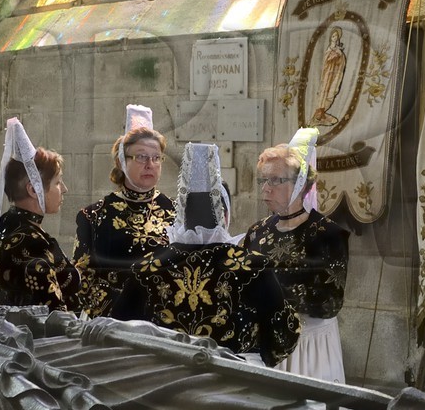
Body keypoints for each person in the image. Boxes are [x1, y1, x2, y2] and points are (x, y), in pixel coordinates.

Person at [113, 141, 300, 368]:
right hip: (236, 381)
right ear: (224, 214)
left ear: (181, 210)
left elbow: (120, 330)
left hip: (162, 381)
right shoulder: (253, 266)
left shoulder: (147, 267)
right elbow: (283, 337)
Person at [243, 129, 349, 383]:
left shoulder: (327, 234)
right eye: (263, 181)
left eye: (275, 180)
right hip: (265, 339)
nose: (266, 189)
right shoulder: (257, 231)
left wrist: (271, 294)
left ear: (300, 183)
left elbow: (330, 301)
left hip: (308, 345)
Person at [73, 104, 174, 317]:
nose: (150, 164)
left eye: (156, 157)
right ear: (121, 161)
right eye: (141, 157)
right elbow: (82, 278)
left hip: (167, 321)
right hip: (115, 323)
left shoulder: (177, 212)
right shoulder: (93, 216)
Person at [0, 117, 80, 311]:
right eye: (57, 182)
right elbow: (54, 317)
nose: (64, 189)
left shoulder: (8, 224)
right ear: (32, 190)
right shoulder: (29, 242)